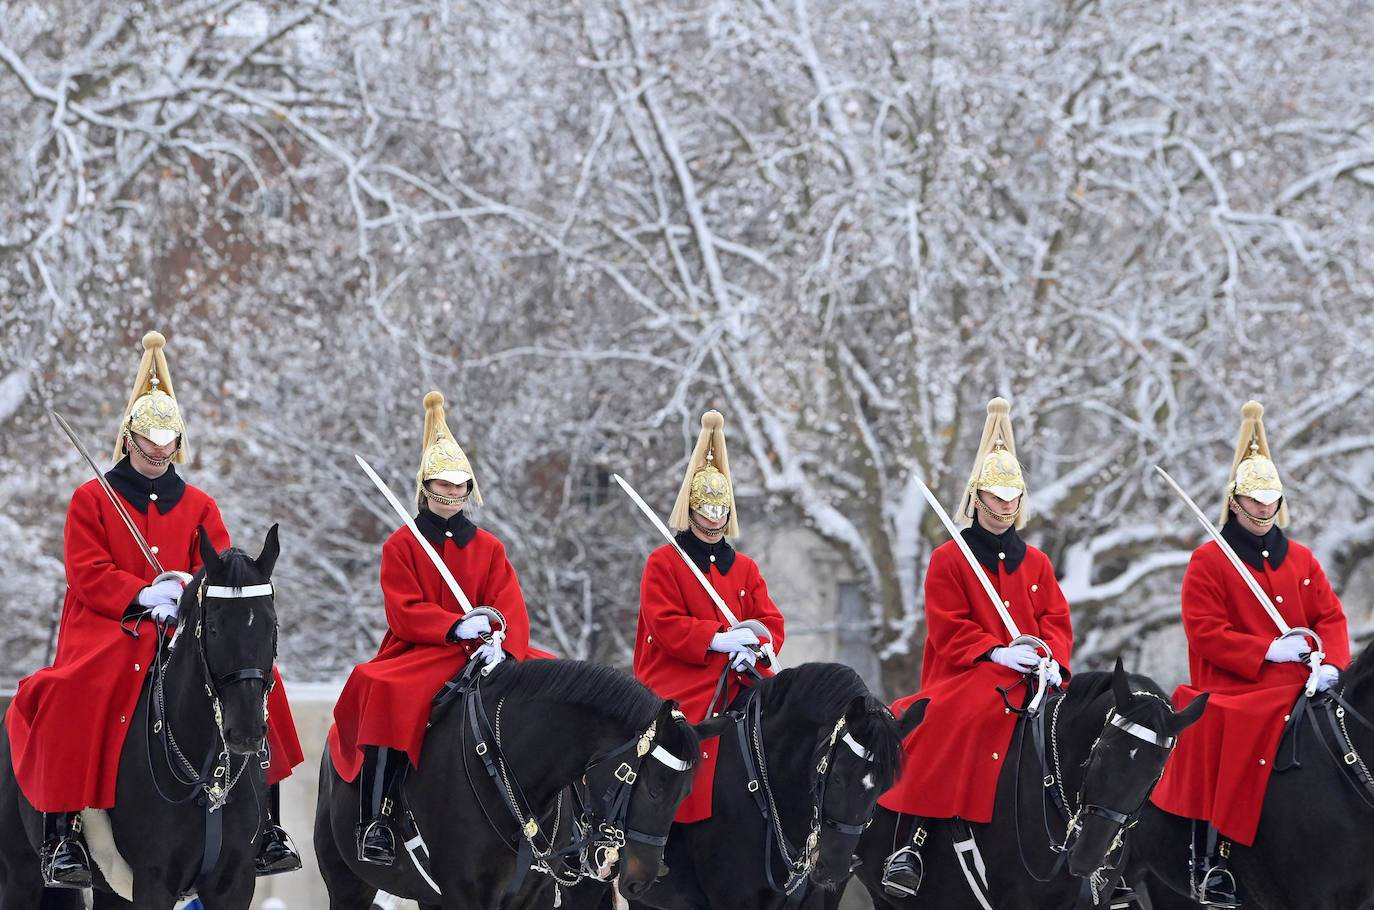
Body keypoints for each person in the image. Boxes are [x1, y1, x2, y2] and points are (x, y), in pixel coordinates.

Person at [5, 331, 305, 888]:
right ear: (129, 438)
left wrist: (187, 591)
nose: (158, 453)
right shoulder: (92, 499)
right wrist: (143, 595)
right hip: (109, 627)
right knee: (67, 689)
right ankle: (63, 831)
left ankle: (267, 825)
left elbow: (218, 569)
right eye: (149, 443)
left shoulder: (200, 505)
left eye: (167, 444)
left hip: (184, 629)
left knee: (262, 681)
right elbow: (86, 572)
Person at [1149, 401, 1349, 908]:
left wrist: (1331, 663)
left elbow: (1330, 617)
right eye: (1254, 502)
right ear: (1235, 502)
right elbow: (1205, 632)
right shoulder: (1208, 561)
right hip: (1236, 686)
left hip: (1303, 680)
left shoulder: (1301, 559)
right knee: (1230, 724)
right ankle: (1214, 858)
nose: (1263, 510)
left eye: (1270, 501)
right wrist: (1268, 650)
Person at [879, 397, 1074, 897]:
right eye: (997, 497)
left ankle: (1094, 853)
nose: (1006, 507)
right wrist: (996, 652)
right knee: (946, 719)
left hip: (1034, 677)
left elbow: (1056, 620)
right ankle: (914, 841)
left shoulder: (1037, 563)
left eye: (1013, 498)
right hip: (968, 673)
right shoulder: (949, 558)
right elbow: (947, 625)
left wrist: (1052, 658)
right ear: (978, 497)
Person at [328, 390, 533, 866]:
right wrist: (454, 625)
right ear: (426, 486)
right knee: (383, 687)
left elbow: (510, 604)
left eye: (460, 485)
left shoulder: (490, 547)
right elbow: (402, 610)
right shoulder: (401, 544)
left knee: (553, 684)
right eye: (443, 484)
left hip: (485, 652)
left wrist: (501, 642)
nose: (452, 492)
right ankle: (377, 817)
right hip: (422, 649)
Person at [634, 408, 786, 824]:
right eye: (706, 511)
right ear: (690, 510)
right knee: (679, 735)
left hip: (739, 675)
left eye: (721, 511)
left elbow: (770, 621)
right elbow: (663, 623)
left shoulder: (746, 568)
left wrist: (755, 647)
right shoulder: (664, 562)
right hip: (681, 675)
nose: (715, 520)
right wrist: (716, 639)